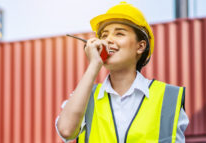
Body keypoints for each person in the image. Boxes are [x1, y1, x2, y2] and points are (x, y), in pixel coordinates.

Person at [55, 1, 189, 143]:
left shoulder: (168, 98)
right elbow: (66, 131)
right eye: (104, 35)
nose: (108, 41)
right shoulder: (85, 97)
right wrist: (94, 64)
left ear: (140, 46)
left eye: (119, 33)